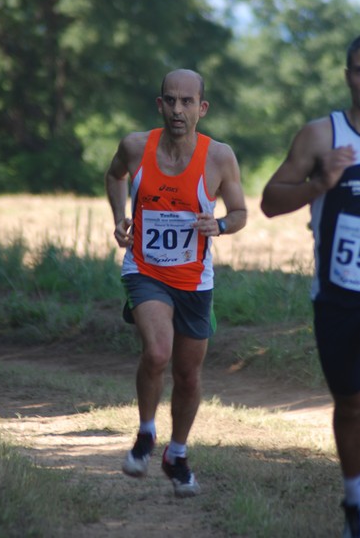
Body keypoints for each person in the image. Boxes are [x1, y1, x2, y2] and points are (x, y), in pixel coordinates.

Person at [105, 68, 247, 497]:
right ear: (159, 104)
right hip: (145, 270)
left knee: (187, 374)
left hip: (194, 279)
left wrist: (218, 226)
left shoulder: (219, 157)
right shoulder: (134, 147)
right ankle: (147, 432)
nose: (178, 109)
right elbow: (114, 176)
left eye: (187, 102)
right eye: (170, 100)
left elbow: (240, 214)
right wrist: (119, 220)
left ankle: (177, 454)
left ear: (202, 108)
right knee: (158, 351)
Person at [261, 31, 360, 538]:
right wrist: (318, 186)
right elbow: (269, 200)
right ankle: (357, 497)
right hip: (335, 298)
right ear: (347, 74)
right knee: (351, 404)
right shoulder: (321, 136)